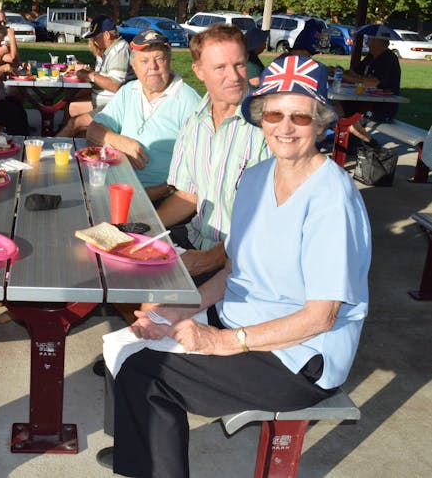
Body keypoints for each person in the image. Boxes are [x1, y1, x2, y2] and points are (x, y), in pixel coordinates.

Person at [109, 54, 371, 477]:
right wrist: (179, 311)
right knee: (130, 340)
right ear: (260, 117)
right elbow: (234, 271)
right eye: (274, 113)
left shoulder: (331, 199)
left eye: (300, 117)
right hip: (243, 319)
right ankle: (143, 453)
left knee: (147, 375)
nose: (284, 127)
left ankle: (150, 459)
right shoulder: (254, 178)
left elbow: (322, 316)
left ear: (322, 123)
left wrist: (221, 341)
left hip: (297, 355)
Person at [157, 24, 271, 284]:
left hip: (240, 258)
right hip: (196, 238)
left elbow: (269, 221)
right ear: (199, 71)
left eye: (240, 65)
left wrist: (210, 259)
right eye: (220, 68)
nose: (234, 76)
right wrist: (144, 228)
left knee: (154, 305)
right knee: (123, 271)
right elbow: (188, 195)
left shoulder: (267, 127)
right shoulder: (194, 122)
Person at [86, 29, 200, 202]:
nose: (152, 67)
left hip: (160, 199)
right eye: (144, 60)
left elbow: (196, 172)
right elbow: (93, 131)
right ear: (134, 66)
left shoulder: (189, 101)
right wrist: (121, 142)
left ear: (168, 61)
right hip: (115, 188)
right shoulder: (128, 91)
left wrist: (158, 191)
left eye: (159, 59)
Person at [56, 14, 135, 137]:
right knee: (70, 108)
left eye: (96, 38)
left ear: (107, 35)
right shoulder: (108, 51)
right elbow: (103, 76)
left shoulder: (120, 49)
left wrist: (89, 75)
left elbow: (114, 85)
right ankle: (78, 146)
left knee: (74, 123)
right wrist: (88, 71)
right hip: (102, 102)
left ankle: (51, 150)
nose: (94, 42)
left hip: (113, 106)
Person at [336, 26, 402, 145]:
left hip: (382, 107)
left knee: (343, 112)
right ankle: (354, 141)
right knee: (338, 106)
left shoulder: (389, 59)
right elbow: (355, 73)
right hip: (365, 101)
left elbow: (373, 82)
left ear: (379, 42)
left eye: (370, 39)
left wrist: (345, 76)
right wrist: (339, 71)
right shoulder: (371, 57)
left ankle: (359, 142)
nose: (367, 42)